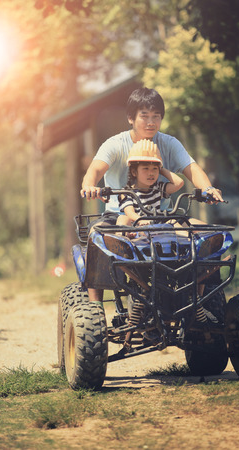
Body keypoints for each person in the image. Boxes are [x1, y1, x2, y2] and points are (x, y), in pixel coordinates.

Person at [81, 87, 223, 302]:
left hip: (159, 214)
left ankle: (202, 299)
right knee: (97, 235)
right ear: (131, 118)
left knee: (207, 236)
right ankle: (94, 307)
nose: (151, 122)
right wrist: (90, 185)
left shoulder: (169, 143)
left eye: (156, 116)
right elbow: (95, 170)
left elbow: (191, 169)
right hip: (119, 215)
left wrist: (208, 189)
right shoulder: (115, 144)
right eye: (144, 116)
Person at [116, 139, 184, 231]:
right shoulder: (126, 192)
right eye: (146, 168)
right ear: (134, 172)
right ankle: (120, 241)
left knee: (172, 221)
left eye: (154, 169)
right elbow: (130, 213)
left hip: (157, 227)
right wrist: (141, 220)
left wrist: (161, 169)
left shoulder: (158, 188)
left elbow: (178, 183)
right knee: (123, 219)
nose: (151, 173)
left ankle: (188, 240)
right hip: (136, 228)